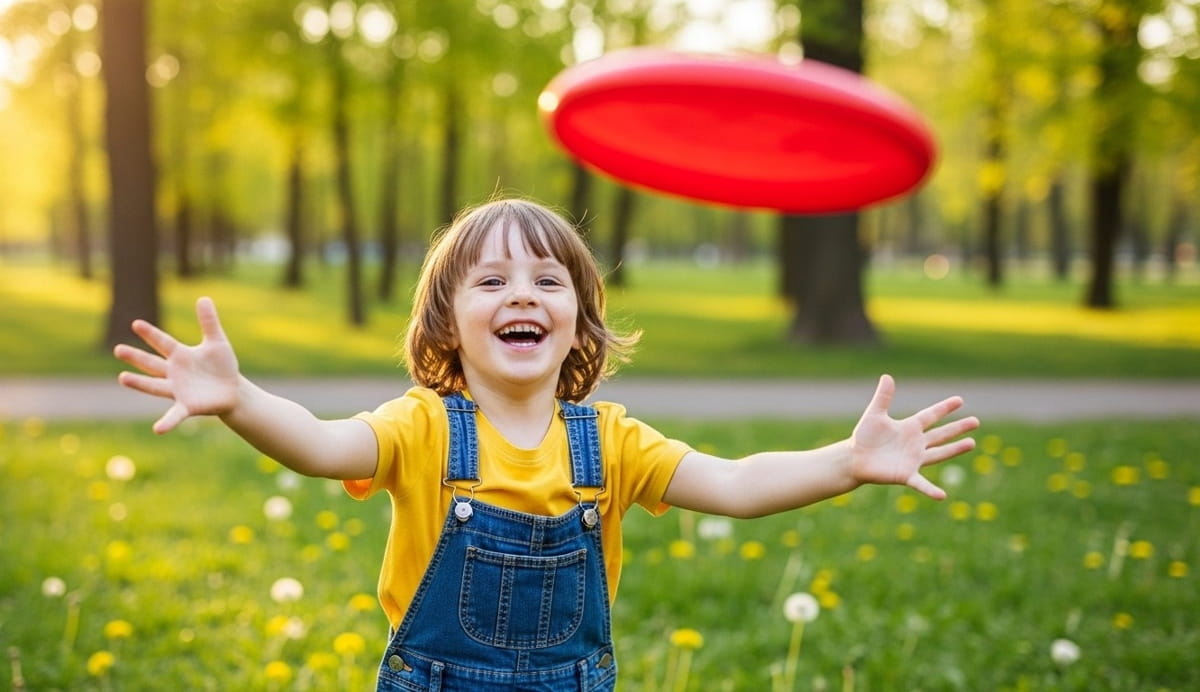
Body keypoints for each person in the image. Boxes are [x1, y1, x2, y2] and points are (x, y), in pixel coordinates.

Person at [114, 197, 979, 691]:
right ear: (447, 325)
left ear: (578, 323)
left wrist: (848, 463)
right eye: (491, 280)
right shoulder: (421, 426)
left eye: (546, 280)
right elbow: (317, 443)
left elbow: (734, 481)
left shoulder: (611, 441)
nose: (520, 294)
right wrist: (239, 400)